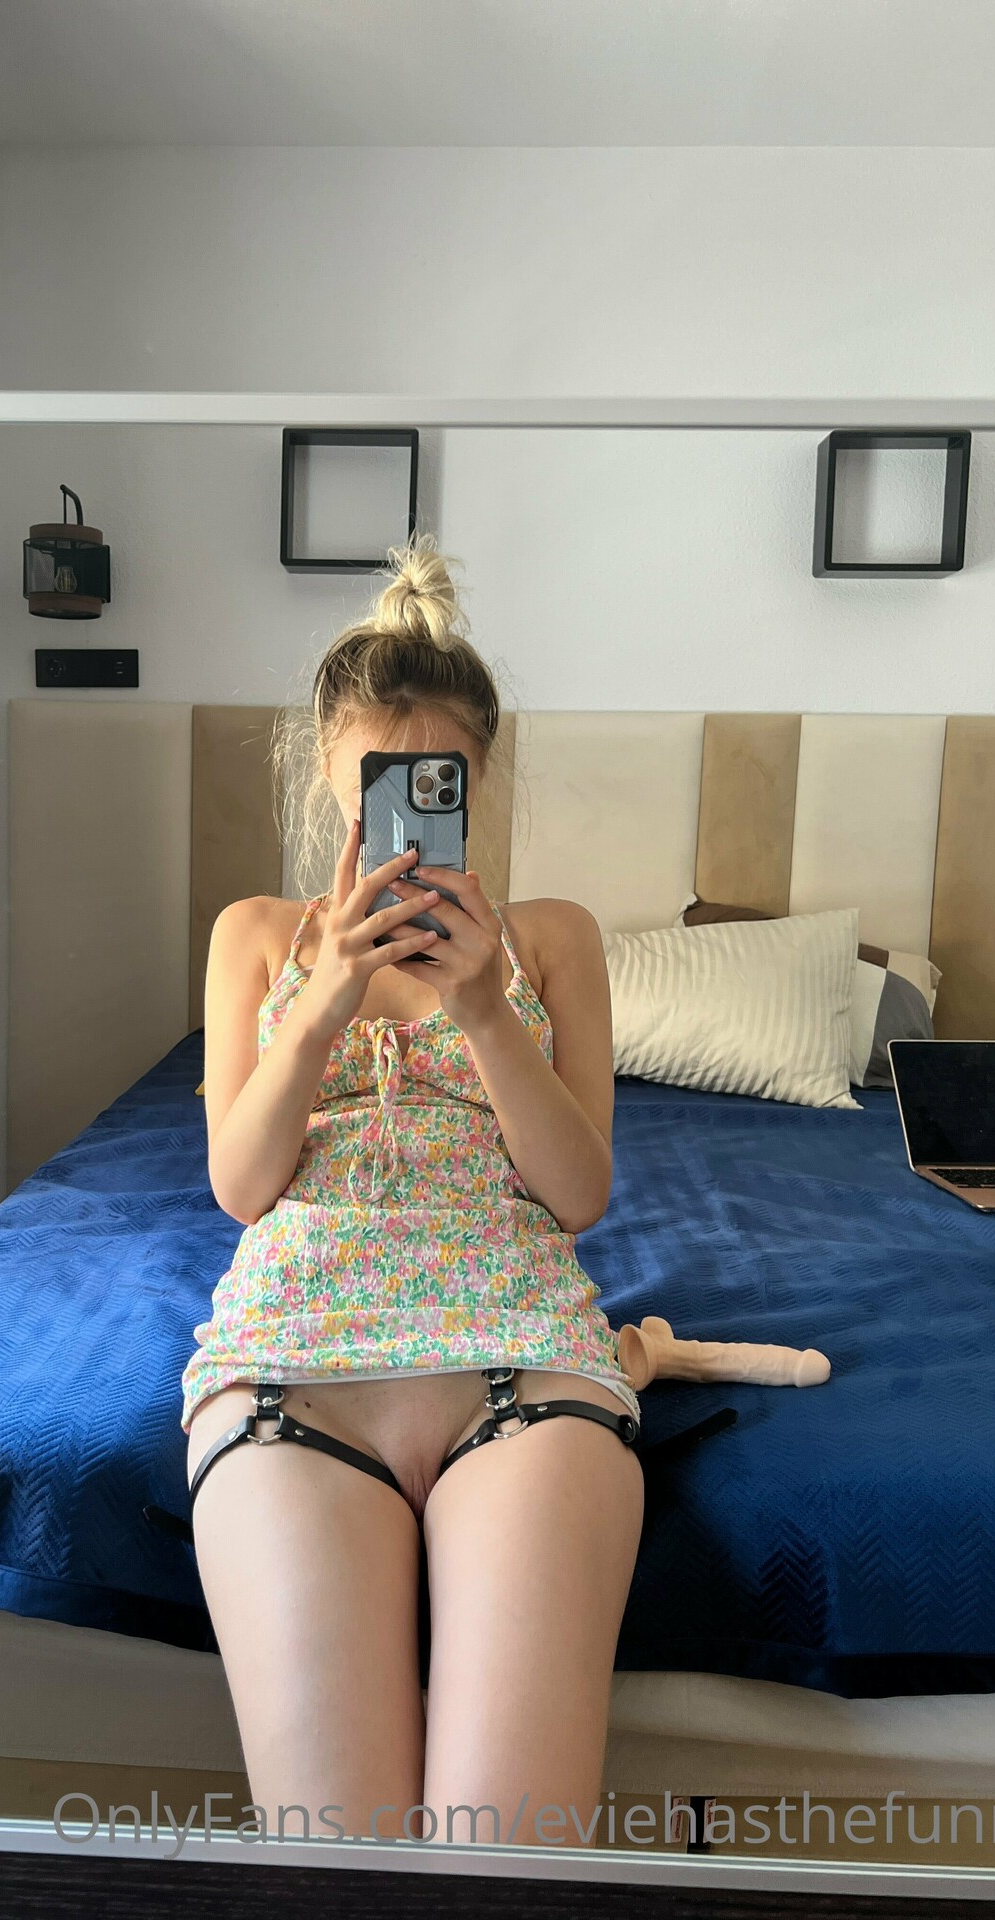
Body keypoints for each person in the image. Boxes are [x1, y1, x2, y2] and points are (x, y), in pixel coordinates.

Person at [181, 531, 643, 1849]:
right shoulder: (258, 937)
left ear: (476, 788)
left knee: (503, 1856)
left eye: (431, 794)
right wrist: (323, 1001)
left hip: (521, 1358)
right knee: (336, 1858)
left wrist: (487, 1009)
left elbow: (579, 1195)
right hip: (294, 1363)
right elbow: (240, 1184)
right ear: (331, 787)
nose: (400, 830)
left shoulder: (551, 941)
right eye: (373, 797)